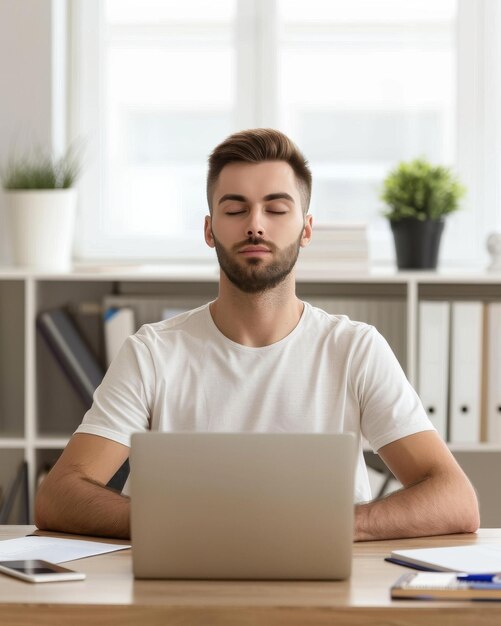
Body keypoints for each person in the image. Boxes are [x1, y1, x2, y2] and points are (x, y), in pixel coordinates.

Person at [35, 128, 479, 540]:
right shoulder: (153, 352)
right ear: (209, 230)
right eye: (235, 209)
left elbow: (455, 500)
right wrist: (182, 528)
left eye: (276, 208)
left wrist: (324, 527)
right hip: (181, 589)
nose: (256, 225)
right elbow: (59, 495)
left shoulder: (355, 350)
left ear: (306, 229)